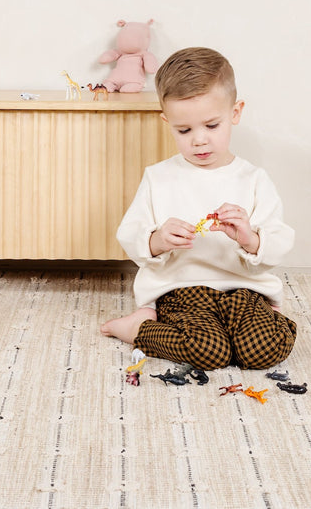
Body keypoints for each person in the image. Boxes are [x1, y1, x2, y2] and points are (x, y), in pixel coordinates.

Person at [100, 47, 296, 370]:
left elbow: (278, 241)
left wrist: (250, 238)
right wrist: (158, 240)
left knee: (264, 348)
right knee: (209, 352)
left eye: (212, 125)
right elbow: (131, 234)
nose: (199, 140)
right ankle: (138, 328)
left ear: (235, 112)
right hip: (181, 290)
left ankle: (256, 322)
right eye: (184, 130)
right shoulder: (159, 178)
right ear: (167, 122)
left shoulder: (253, 179)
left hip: (243, 288)